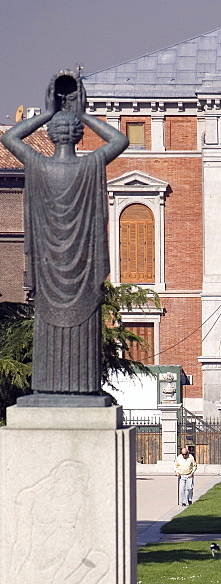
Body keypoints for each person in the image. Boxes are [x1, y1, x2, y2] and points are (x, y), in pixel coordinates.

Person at [0, 71, 128, 402]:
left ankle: (48, 388)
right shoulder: (90, 166)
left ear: (53, 135)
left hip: (49, 274)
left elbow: (10, 138)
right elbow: (120, 141)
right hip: (82, 279)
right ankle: (81, 386)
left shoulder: (40, 167)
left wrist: (48, 112)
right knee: (81, 330)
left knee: (50, 330)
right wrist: (82, 112)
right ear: (79, 135)